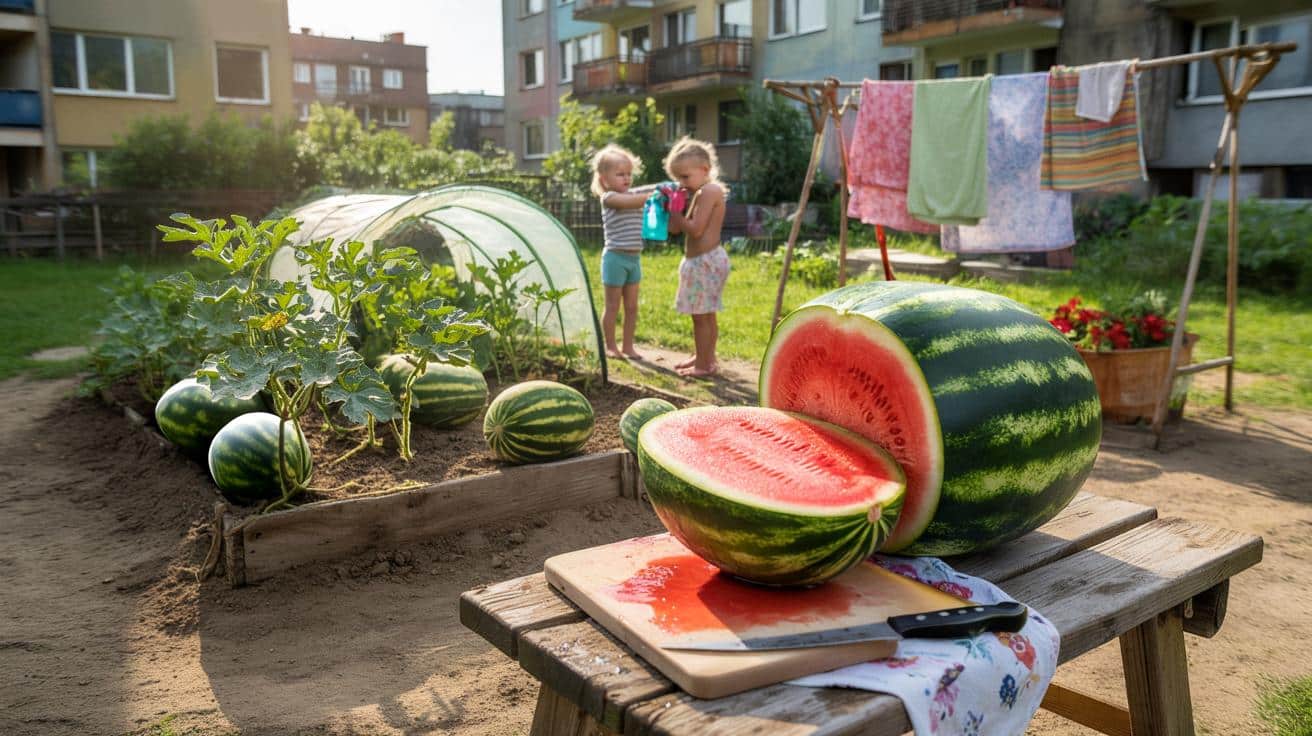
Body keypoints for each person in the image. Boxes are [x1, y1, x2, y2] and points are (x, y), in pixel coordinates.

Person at [665, 137, 730, 378]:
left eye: (684, 177)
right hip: (700, 262)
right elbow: (674, 229)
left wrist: (677, 214)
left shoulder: (709, 191)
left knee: (702, 317)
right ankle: (704, 356)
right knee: (702, 315)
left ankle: (704, 365)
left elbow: (695, 229)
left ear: (704, 170)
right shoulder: (697, 193)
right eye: (677, 178)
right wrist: (676, 207)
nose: (681, 183)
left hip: (705, 261)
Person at [591, 144, 649, 360]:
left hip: (634, 259)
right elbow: (632, 201)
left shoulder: (633, 194)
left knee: (632, 307)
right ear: (604, 179)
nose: (626, 178)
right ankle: (610, 346)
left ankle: (628, 346)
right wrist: (655, 195)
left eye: (629, 174)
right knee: (613, 306)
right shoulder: (609, 198)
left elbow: (640, 194)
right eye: (620, 174)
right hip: (615, 259)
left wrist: (666, 189)